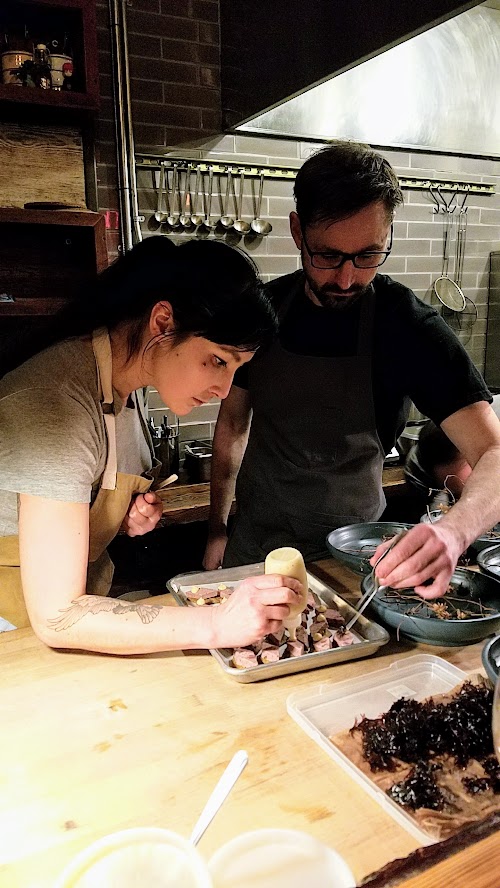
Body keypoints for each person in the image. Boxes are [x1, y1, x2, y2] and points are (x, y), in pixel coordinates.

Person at [203, 141, 500, 601]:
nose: (345, 280)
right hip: (255, 551)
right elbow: (233, 424)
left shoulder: (408, 327)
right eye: (328, 256)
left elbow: (495, 454)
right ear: (298, 231)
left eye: (367, 255)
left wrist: (454, 532)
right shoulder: (260, 312)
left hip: (356, 561)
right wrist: (217, 530)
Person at [0, 236, 302, 651]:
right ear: (162, 322)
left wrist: (121, 518)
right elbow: (58, 615)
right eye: (217, 360)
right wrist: (215, 622)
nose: (223, 389)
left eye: (236, 370)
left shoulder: (127, 382)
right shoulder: (58, 403)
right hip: (15, 628)